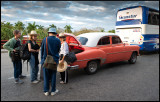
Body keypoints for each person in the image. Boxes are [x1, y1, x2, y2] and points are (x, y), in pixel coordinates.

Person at [41, 28, 61, 96]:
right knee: (53, 76)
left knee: (46, 76)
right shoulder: (57, 40)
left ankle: (46, 91)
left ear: (49, 32)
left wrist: (42, 60)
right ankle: (53, 91)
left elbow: (42, 50)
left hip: (46, 60)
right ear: (55, 33)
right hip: (54, 60)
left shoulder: (45, 39)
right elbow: (58, 50)